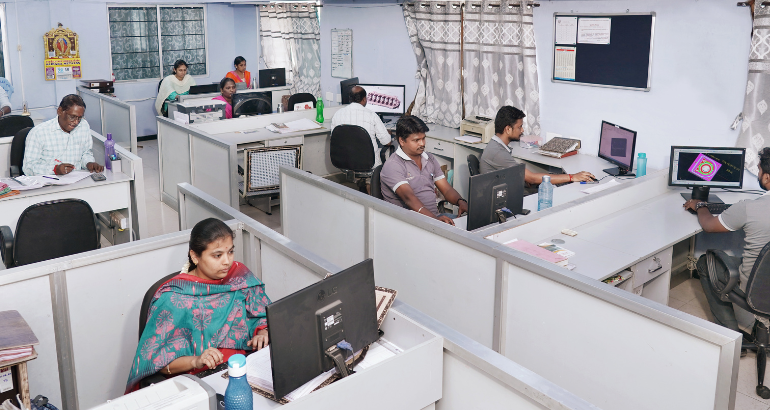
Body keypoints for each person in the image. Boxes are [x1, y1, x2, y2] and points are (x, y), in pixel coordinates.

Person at [125, 218, 271, 392]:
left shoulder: (239, 277)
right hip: (201, 381)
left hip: (248, 370)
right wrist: (196, 360)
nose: (227, 261)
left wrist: (263, 331)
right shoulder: (173, 299)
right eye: (217, 255)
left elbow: (263, 314)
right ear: (195, 256)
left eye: (230, 252)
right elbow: (155, 361)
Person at [687, 147, 770, 334]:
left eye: (759, 169)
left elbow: (708, 226)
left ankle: (728, 334)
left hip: (756, 288)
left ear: (766, 177)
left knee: (705, 263)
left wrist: (700, 205)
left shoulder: (748, 208)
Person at [380, 116, 468, 226]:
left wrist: (460, 201)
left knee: (473, 226)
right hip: (409, 223)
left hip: (434, 218)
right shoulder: (393, 165)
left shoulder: (429, 158)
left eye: (423, 138)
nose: (422, 143)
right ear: (402, 141)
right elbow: (409, 198)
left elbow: (446, 189)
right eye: (416, 140)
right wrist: (435, 220)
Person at [480, 106, 595, 188]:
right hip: (505, 198)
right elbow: (532, 178)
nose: (522, 130)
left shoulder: (496, 145)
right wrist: (572, 177)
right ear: (508, 129)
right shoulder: (498, 153)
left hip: (507, 187)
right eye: (519, 127)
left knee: (552, 181)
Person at [22, 94, 104, 176]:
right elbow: (28, 168)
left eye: (79, 118)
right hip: (49, 182)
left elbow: (86, 153)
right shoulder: (38, 133)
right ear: (60, 111)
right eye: (72, 117)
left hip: (77, 180)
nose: (76, 122)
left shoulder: (83, 126)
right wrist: (55, 169)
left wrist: (89, 163)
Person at [331, 86, 392, 167]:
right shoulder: (372, 115)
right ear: (364, 99)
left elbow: (333, 138)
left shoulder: (337, 114)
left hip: (344, 161)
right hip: (369, 162)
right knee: (392, 150)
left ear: (350, 99)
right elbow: (387, 142)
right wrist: (388, 134)